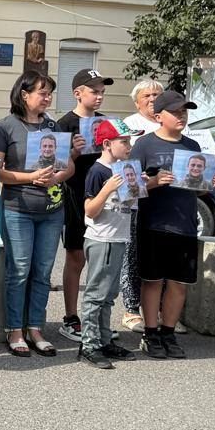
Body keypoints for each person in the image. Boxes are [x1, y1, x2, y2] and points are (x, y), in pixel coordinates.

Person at [0, 70, 79, 358]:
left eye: (50, 92)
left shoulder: (53, 126)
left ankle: (36, 328)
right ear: (24, 95)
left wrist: (57, 177)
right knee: (19, 271)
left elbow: (68, 167)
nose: (48, 97)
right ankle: (15, 330)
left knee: (42, 272)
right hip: (18, 210)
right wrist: (30, 178)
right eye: (43, 92)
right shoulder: (4, 127)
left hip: (52, 211)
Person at [130, 92, 215, 359]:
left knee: (179, 283)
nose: (181, 116)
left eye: (184, 111)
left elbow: (197, 188)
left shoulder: (192, 145)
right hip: (154, 223)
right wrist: (154, 182)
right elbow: (128, 187)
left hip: (185, 224)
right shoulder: (144, 145)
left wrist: (208, 185)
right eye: (175, 111)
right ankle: (150, 333)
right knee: (153, 281)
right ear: (159, 116)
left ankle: (168, 332)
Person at [78, 119, 142, 369]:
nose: (129, 146)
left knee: (108, 295)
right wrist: (107, 190)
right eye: (123, 142)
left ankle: (104, 341)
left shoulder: (123, 168)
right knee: (95, 295)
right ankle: (89, 345)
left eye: (129, 141)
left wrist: (143, 183)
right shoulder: (98, 171)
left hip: (118, 238)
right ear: (107, 144)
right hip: (102, 239)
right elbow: (90, 210)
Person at [56, 68, 111, 342]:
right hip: (75, 196)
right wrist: (74, 152)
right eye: (94, 91)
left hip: (102, 197)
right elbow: (55, 166)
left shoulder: (106, 122)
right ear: (78, 93)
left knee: (101, 259)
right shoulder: (63, 124)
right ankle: (70, 317)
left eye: (102, 92)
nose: (99, 96)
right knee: (76, 256)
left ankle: (97, 318)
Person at [119, 78, 164, 332]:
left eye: (157, 95)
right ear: (137, 102)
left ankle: (159, 311)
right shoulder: (130, 125)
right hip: (136, 200)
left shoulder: (171, 122)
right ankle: (131, 309)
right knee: (133, 254)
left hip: (166, 201)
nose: (153, 99)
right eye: (147, 95)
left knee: (159, 257)